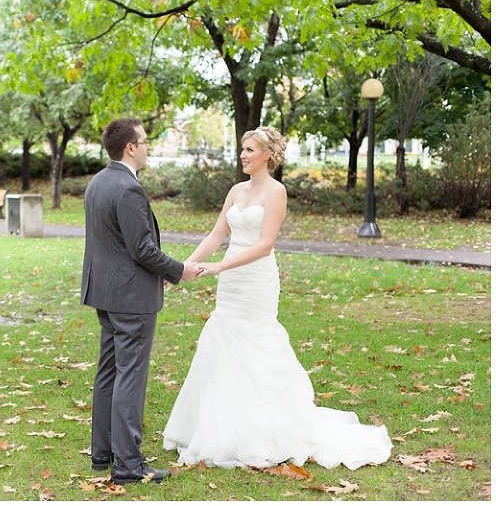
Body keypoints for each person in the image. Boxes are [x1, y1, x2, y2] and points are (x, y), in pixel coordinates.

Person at [162, 126, 393, 470]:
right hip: (231, 283)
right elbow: (216, 234)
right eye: (242, 149)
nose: (243, 155)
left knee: (258, 344)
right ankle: (221, 428)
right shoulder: (236, 190)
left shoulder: (276, 192)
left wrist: (220, 265)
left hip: (255, 279)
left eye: (250, 149)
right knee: (224, 343)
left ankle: (268, 429)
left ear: (267, 155)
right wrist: (184, 266)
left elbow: (265, 244)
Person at [81, 118, 200, 485]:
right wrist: (179, 270)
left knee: (109, 373)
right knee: (129, 378)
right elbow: (142, 249)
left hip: (105, 292)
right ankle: (128, 465)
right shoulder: (128, 189)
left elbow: (117, 244)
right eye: (145, 141)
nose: (148, 146)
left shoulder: (97, 182)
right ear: (130, 147)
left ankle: (103, 453)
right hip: (131, 298)